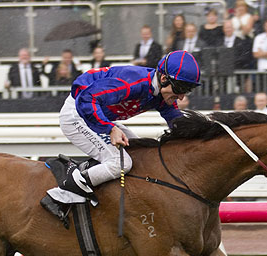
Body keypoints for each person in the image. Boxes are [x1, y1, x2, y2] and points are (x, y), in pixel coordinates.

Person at [40, 50, 201, 221]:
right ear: (163, 79)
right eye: (181, 89)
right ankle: (60, 195)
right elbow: (86, 100)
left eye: (187, 90)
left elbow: (175, 119)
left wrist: (198, 137)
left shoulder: (162, 92)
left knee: (143, 153)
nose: (182, 97)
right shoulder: (133, 83)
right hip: (78, 113)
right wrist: (109, 129)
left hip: (97, 115)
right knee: (119, 163)